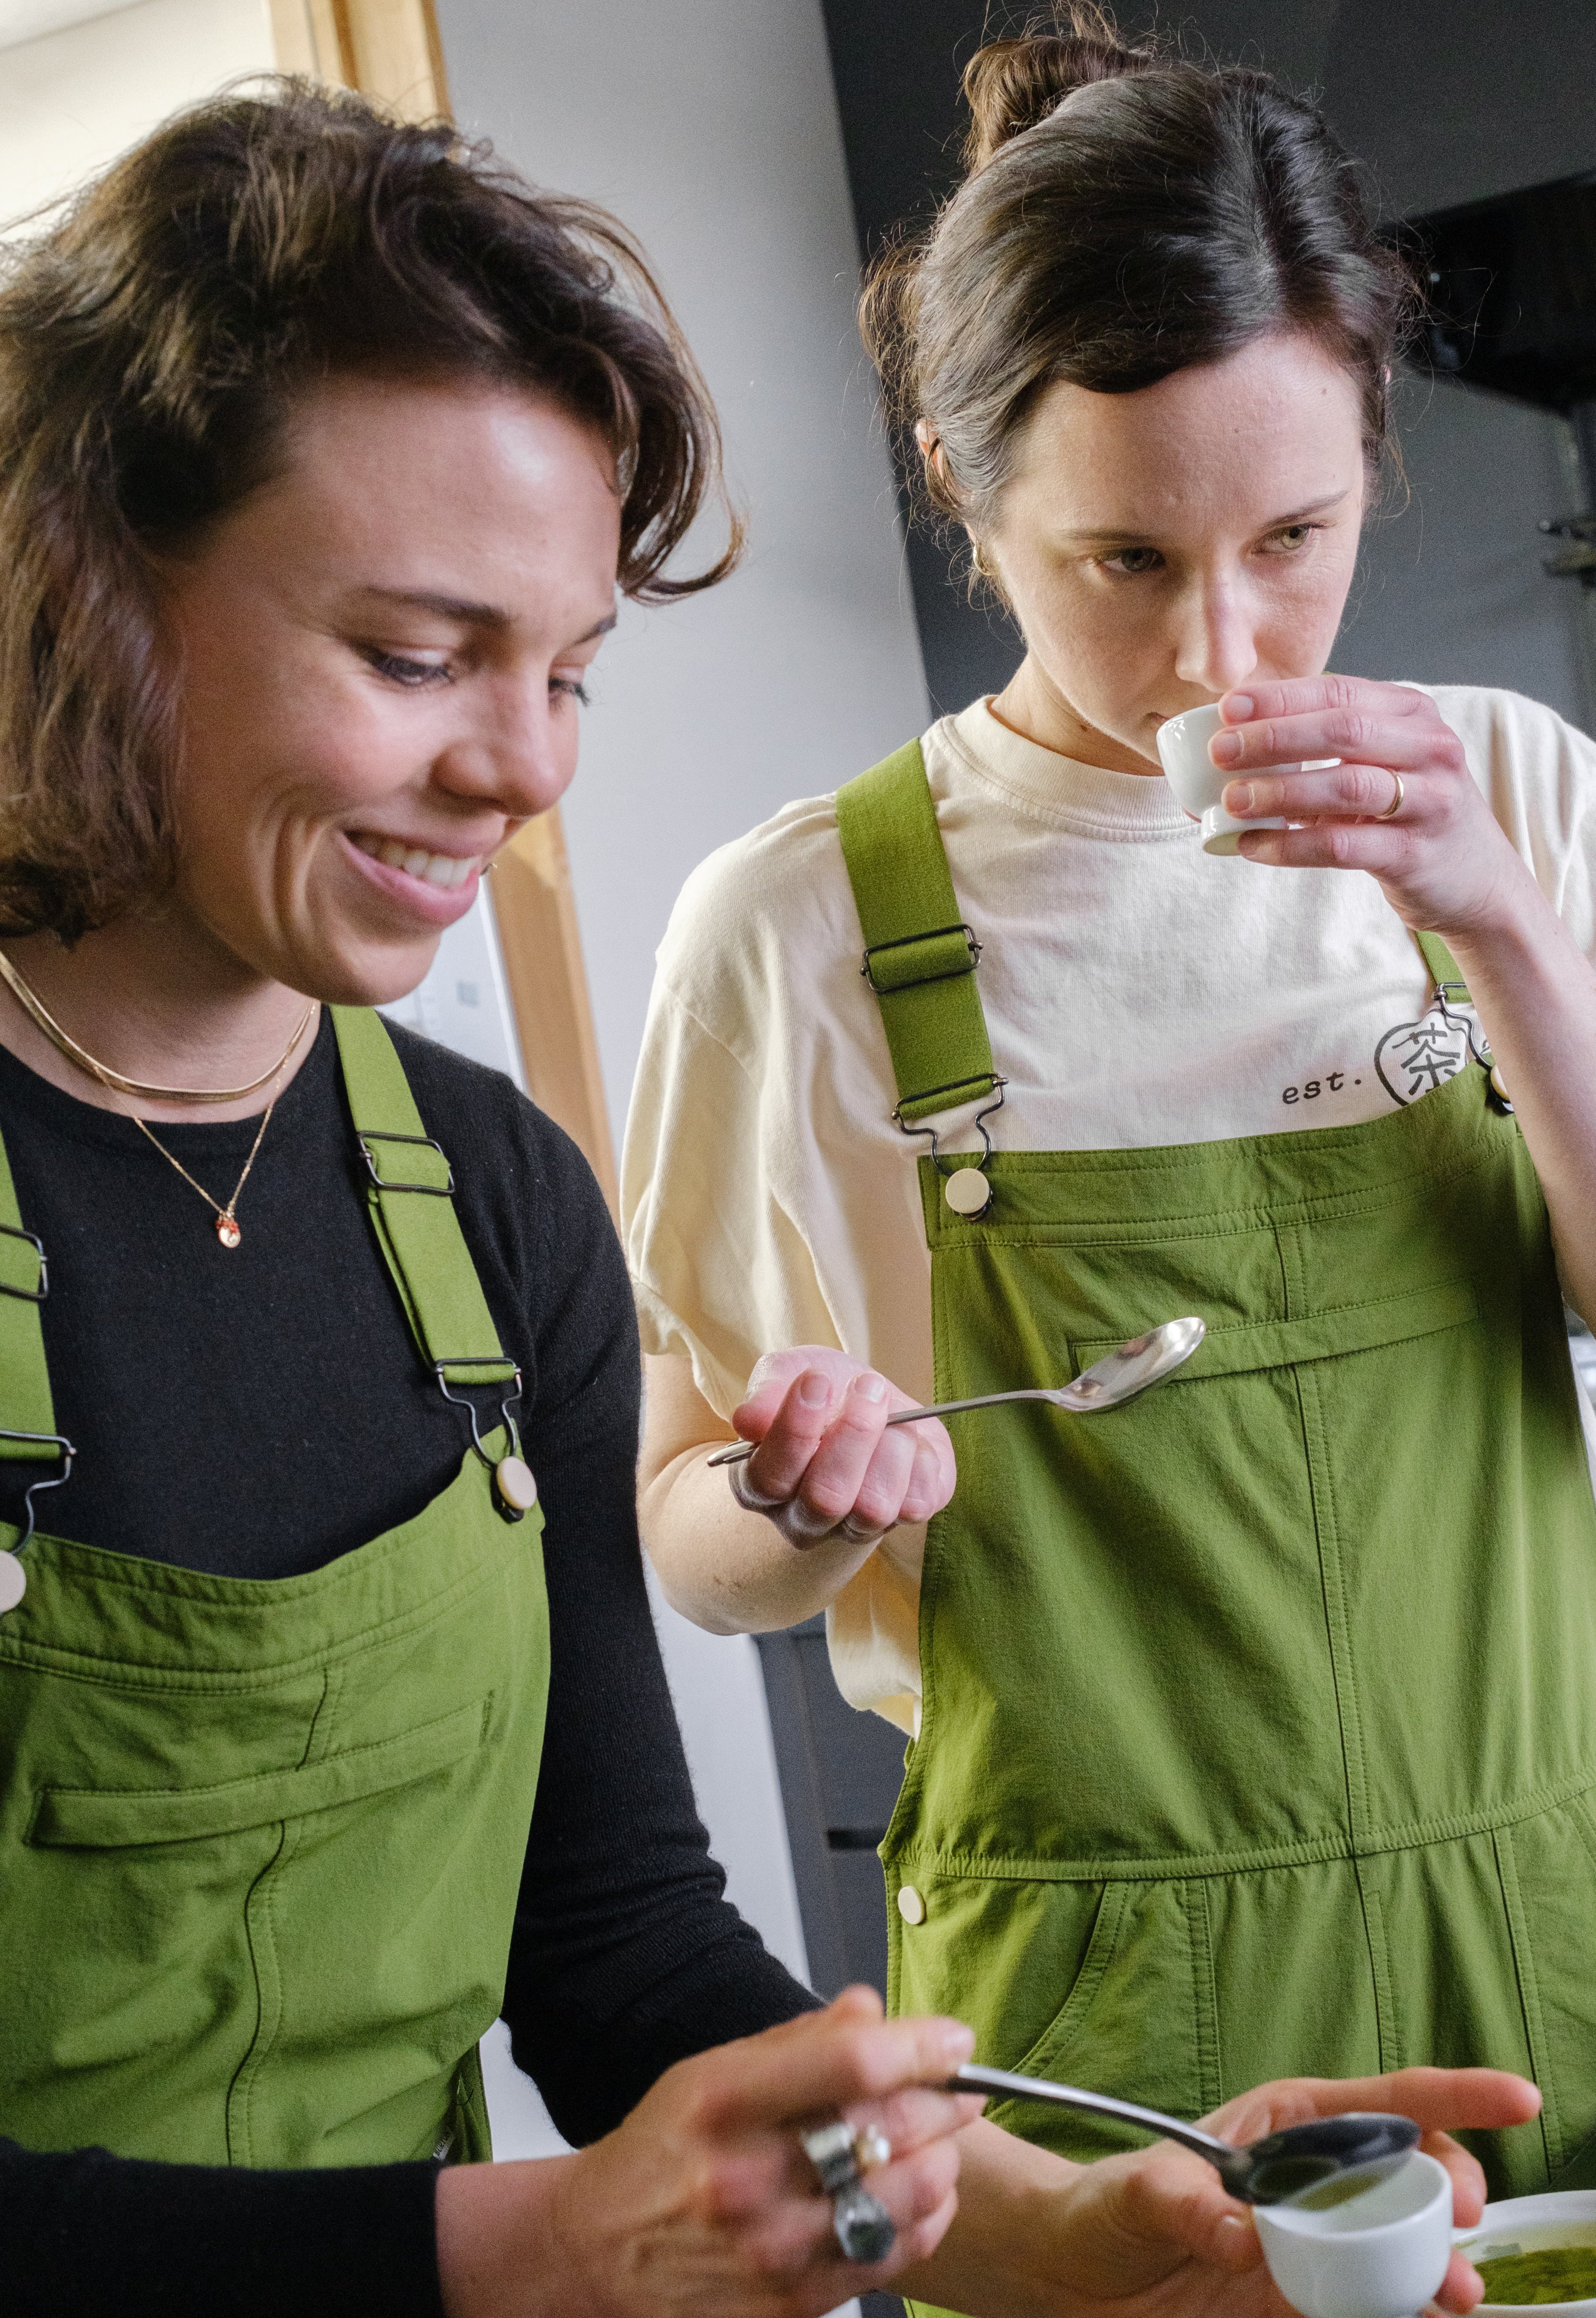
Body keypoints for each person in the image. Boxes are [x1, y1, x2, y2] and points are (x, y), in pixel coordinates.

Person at [0, 69, 1533, 2318]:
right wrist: (524, 2245)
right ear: (88, 586)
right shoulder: (802, 929)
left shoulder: (488, 1201)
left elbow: (617, 1948)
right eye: (419, 658)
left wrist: (1055, 2219)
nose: (524, 770)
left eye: (571, 672)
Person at [627, 4, 1596, 2287]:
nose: (1222, 648)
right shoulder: (798, 926)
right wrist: (787, 1491)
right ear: (968, 499)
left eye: (1298, 535)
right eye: (1124, 562)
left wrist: (1506, 935)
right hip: (1093, 2015)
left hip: (1543, 1910)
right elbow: (693, 1537)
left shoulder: (1517, 794)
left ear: (1375, 447)